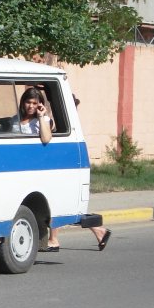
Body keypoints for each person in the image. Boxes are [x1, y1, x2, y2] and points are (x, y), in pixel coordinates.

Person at [44, 93, 112, 253]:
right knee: (66, 205)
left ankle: (53, 240)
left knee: (57, 203)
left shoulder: (64, 121)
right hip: (63, 166)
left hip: (65, 167)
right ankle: (100, 231)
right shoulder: (65, 121)